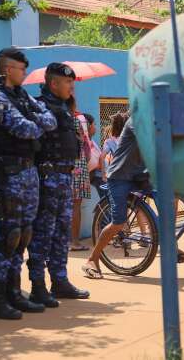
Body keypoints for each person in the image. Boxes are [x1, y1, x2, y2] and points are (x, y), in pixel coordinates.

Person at [0, 48, 56, 320]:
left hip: (28, 172)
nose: (25, 73)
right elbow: (24, 128)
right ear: (8, 69)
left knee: (24, 235)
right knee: (8, 238)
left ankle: (14, 293)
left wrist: (35, 120)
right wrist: (36, 121)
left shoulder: (22, 96)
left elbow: (50, 120)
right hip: (6, 176)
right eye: (21, 69)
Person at [27, 63, 90, 302]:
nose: (71, 86)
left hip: (64, 175)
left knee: (62, 233)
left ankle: (60, 281)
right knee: (44, 232)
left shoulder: (63, 107)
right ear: (53, 84)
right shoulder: (41, 106)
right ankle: (38, 285)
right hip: (48, 176)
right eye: (67, 83)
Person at [81, 115, 151, 279]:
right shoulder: (136, 121)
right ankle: (92, 260)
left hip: (139, 175)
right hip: (120, 177)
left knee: (168, 198)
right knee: (118, 222)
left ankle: (172, 248)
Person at [69, 96, 91, 252]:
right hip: (78, 164)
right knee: (76, 204)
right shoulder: (78, 119)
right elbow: (85, 142)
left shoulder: (55, 117)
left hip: (61, 166)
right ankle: (74, 241)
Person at [100, 111, 128, 181]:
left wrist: (104, 175)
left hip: (117, 175)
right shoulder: (130, 139)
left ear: (113, 127)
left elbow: (102, 157)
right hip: (131, 174)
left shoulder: (109, 141)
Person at [84, 113, 105, 198]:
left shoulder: (92, 141)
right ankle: (106, 207)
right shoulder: (84, 142)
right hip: (92, 174)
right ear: (88, 126)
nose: (96, 127)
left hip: (98, 172)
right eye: (94, 124)